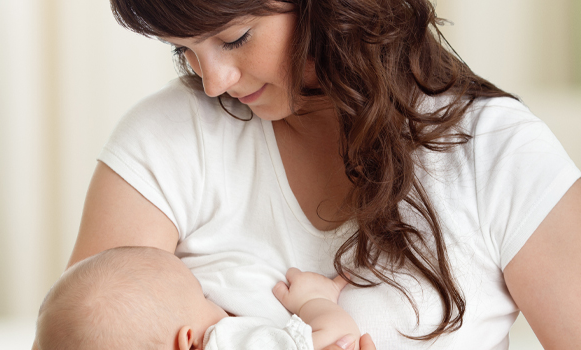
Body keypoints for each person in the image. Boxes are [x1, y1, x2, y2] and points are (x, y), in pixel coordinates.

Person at [36, 0, 581, 348]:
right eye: (186, 49)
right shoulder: (168, 136)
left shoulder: (494, 151)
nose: (213, 82)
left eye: (234, 38)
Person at [36, 246, 361, 350]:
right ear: (188, 342)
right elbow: (337, 338)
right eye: (202, 296)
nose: (215, 302)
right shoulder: (226, 341)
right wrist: (314, 302)